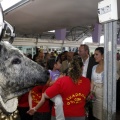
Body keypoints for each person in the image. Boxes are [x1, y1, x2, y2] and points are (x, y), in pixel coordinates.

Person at [28, 56, 91, 120]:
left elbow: (46, 95)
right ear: (82, 68)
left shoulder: (62, 81)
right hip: (79, 115)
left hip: (61, 115)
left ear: (70, 68)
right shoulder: (87, 82)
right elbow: (86, 96)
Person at [79, 44, 97, 120]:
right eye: (78, 51)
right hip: (78, 88)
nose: (79, 52)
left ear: (86, 51)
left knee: (89, 108)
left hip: (88, 89)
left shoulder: (94, 62)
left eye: (80, 51)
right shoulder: (78, 61)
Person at [90, 47, 104, 120]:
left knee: (102, 113)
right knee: (95, 113)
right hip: (95, 93)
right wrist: (91, 92)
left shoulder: (107, 68)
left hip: (103, 94)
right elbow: (92, 81)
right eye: (94, 54)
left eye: (96, 54)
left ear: (103, 56)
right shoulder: (94, 67)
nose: (94, 56)